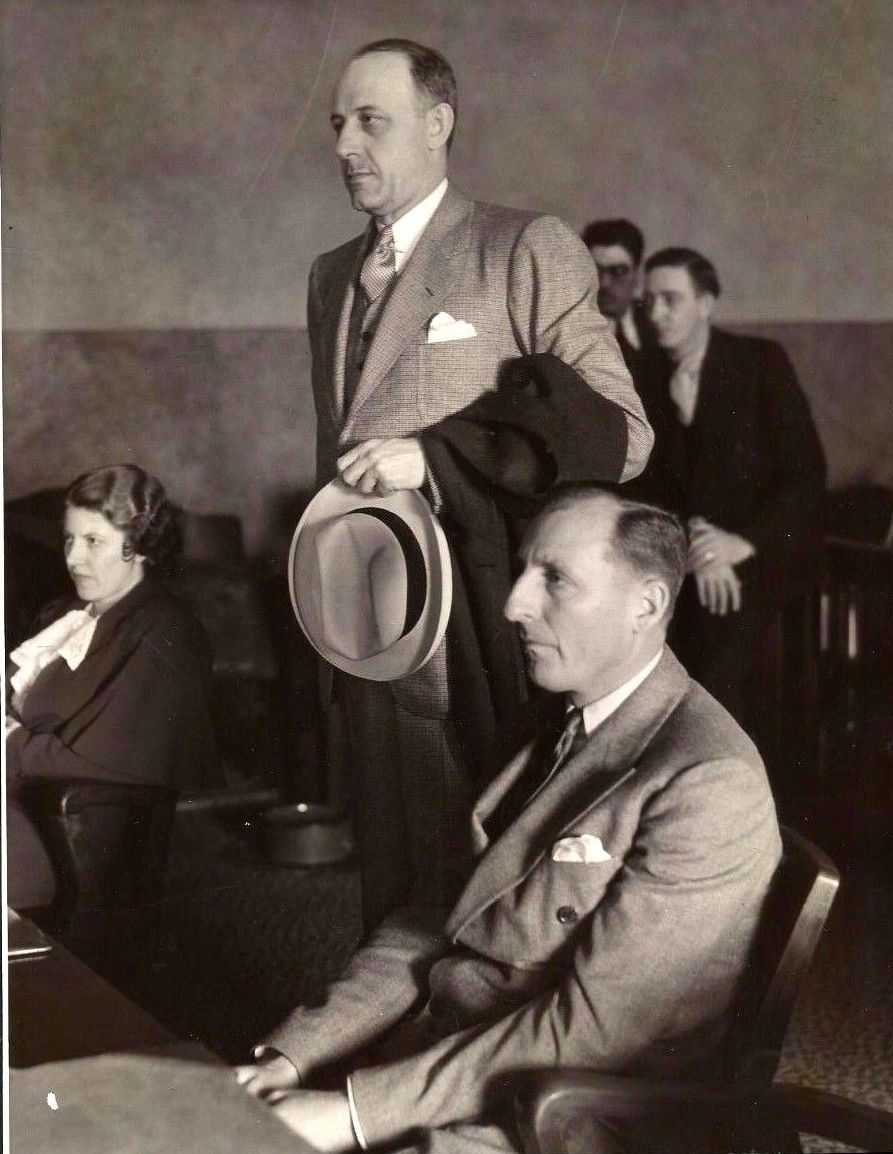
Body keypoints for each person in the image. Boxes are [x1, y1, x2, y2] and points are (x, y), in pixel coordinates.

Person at [237, 488, 781, 1154]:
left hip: (565, 1112)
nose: (514, 604)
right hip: (452, 1062)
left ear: (646, 605)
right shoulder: (547, 719)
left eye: (555, 579)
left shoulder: (707, 778)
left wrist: (350, 1114)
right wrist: (292, 1057)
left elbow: (591, 1033)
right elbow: (433, 921)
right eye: (524, 571)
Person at [307, 37, 653, 926]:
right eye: (339, 123)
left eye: (371, 121)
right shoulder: (330, 277)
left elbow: (622, 432)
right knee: (388, 889)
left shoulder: (521, 247)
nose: (345, 144)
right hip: (365, 628)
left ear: (437, 124)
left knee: (483, 892)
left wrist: (439, 455)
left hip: (482, 636)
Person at [5, 464, 219, 910]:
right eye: (69, 538)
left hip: (67, 833)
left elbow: (111, 757)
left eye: (92, 541)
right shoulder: (62, 614)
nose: (72, 558)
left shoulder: (163, 629)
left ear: (137, 546)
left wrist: (11, 743)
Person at [631, 246, 827, 727]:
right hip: (689, 554)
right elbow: (649, 486)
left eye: (671, 299)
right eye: (649, 300)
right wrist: (699, 545)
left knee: (728, 656)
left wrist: (738, 544)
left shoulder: (759, 362)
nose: (656, 313)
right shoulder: (643, 374)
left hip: (761, 552)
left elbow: (805, 474)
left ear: (706, 303)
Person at [581, 218, 651, 377]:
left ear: (638, 275)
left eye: (618, 271)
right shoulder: (569, 324)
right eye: (595, 270)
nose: (604, 283)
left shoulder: (656, 325)